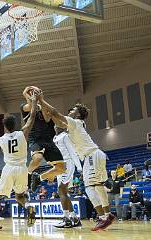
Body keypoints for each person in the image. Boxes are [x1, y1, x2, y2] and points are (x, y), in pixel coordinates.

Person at [35, 86, 115, 231]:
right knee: (94, 187)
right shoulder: (72, 125)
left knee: (93, 186)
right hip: (91, 156)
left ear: (77, 115)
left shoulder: (76, 122)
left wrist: (41, 100)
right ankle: (106, 215)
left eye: (72, 110)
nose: (70, 112)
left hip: (92, 155)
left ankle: (104, 217)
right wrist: (41, 106)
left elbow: (55, 113)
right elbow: (55, 119)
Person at [0, 93, 38, 227]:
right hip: (22, 168)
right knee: (19, 196)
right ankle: (28, 206)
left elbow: (4, 151)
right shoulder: (22, 133)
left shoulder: (1, 139)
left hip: (9, 167)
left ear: (5, 126)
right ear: (15, 124)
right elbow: (32, 118)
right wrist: (33, 103)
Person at [21, 86, 66, 190]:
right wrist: (29, 94)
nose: (34, 95)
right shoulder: (24, 107)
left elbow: (46, 119)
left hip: (48, 140)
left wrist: (41, 100)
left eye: (36, 93)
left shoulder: (43, 107)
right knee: (38, 159)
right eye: (32, 93)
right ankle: (28, 174)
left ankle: (39, 177)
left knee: (61, 169)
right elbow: (31, 107)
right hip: (35, 139)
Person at [53, 126, 83, 228]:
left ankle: (66, 219)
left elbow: (72, 152)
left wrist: (79, 166)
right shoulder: (54, 138)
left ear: (63, 126)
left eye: (58, 124)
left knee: (61, 191)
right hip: (59, 165)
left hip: (67, 164)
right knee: (64, 193)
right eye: (55, 124)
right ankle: (74, 218)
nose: (56, 126)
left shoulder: (65, 136)